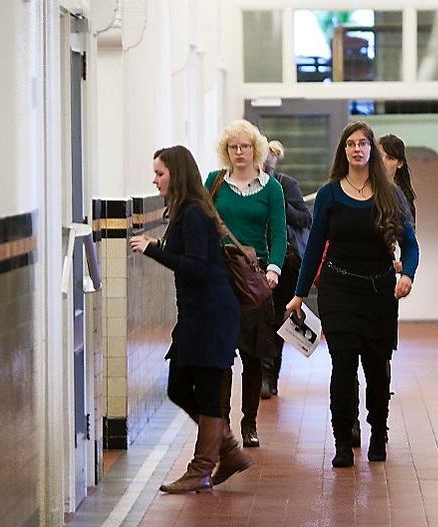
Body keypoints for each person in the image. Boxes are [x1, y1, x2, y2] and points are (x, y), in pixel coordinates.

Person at [286, 121, 419, 468]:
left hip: (378, 291)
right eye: (350, 144)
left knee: (376, 368)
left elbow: (410, 244)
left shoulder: (391, 194)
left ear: (372, 150)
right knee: (343, 367)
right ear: (343, 151)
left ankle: (378, 432)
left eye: (363, 143)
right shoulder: (330, 194)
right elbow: (314, 248)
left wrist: (407, 274)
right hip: (338, 289)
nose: (357, 149)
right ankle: (342, 440)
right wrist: (299, 294)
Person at [129, 146, 252, 493]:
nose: (154, 180)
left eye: (160, 174)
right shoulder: (184, 211)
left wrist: (154, 250)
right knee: (178, 386)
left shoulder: (195, 212)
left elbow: (197, 268)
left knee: (208, 392)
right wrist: (160, 245)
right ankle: (227, 450)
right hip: (198, 314)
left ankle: (202, 469)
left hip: (211, 314)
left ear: (176, 175)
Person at [206, 120, 287, 448]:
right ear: (226, 152)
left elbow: (279, 233)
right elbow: (203, 224)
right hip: (220, 277)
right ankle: (223, 422)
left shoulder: (271, 188)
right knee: (222, 354)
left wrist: (274, 270)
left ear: (256, 149)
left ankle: (249, 422)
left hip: (254, 278)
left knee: (253, 355)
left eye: (245, 146)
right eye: (233, 147)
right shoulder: (214, 182)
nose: (239, 153)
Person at [260, 140, 312, 399]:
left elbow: (305, 218)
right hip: (254, 262)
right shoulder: (245, 188)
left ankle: (270, 377)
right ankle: (261, 374)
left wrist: (279, 202)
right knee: (258, 321)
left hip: (286, 263)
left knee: (276, 319)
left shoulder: (285, 184)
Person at [378, 134, 417, 223]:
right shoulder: (362, 192)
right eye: (379, 156)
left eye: (390, 158)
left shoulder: (403, 201)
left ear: (400, 163)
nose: (382, 162)